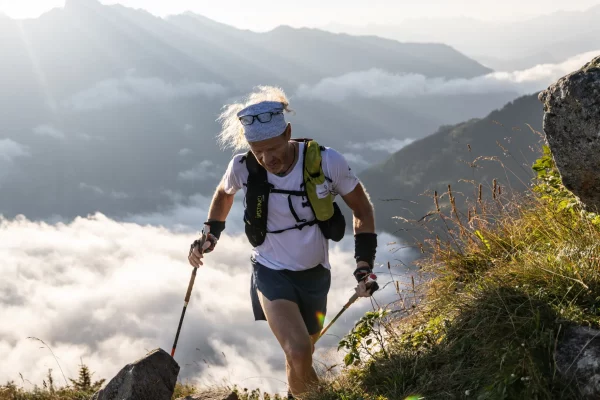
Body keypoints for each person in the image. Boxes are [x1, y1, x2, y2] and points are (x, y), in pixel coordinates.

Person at [187, 86, 378, 399]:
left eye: (273, 149)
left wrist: (364, 263)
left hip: (316, 275)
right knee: (299, 349)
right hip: (270, 272)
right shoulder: (243, 166)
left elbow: (362, 209)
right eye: (257, 150)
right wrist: (211, 233)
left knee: (302, 355)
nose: (266, 158)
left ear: (288, 132)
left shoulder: (326, 163)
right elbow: (224, 192)